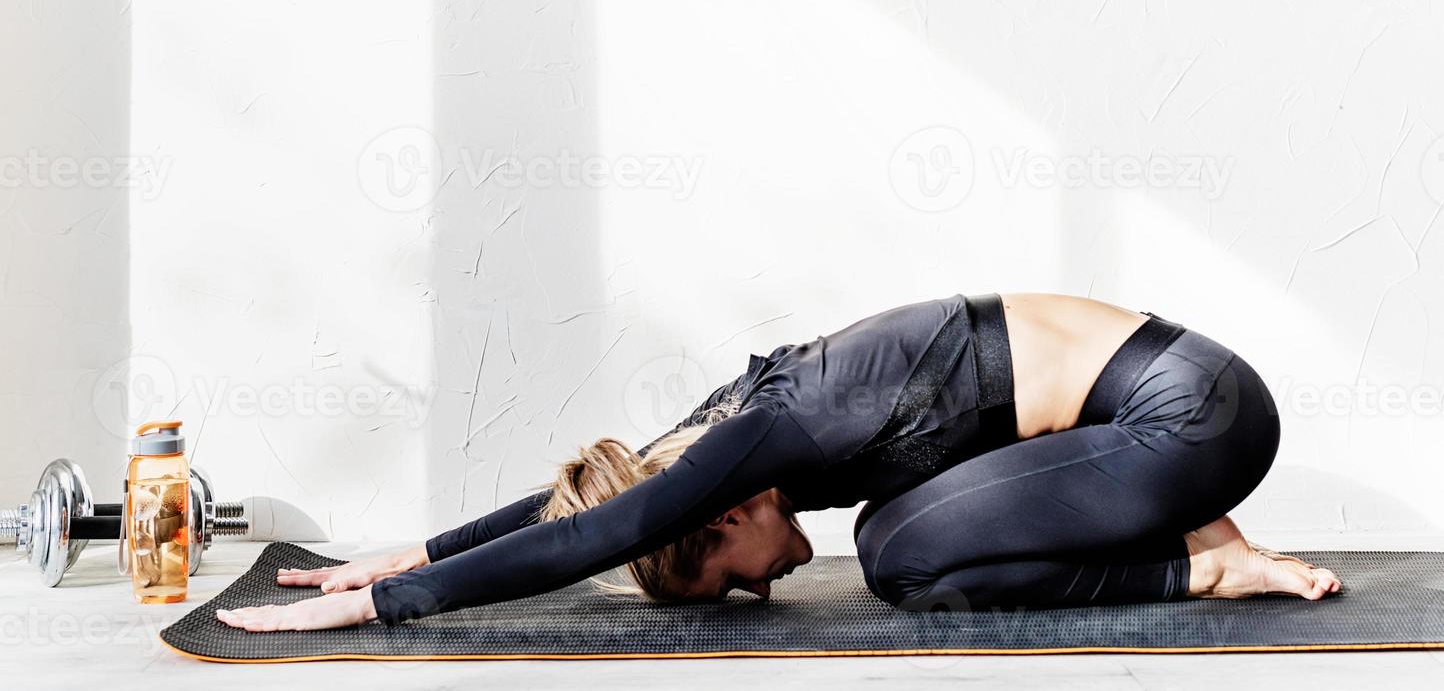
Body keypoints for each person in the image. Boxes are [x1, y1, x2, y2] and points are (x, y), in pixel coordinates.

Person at [216, 292, 1340, 632]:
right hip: (1168, 413)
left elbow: (599, 532)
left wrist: (385, 607)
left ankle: (1199, 564)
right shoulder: (725, 433)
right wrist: (405, 546)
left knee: (902, 554)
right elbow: (601, 491)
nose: (762, 581)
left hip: (1193, 417)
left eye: (727, 574)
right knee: (894, 534)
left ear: (723, 509)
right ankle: (1190, 535)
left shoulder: (781, 425)